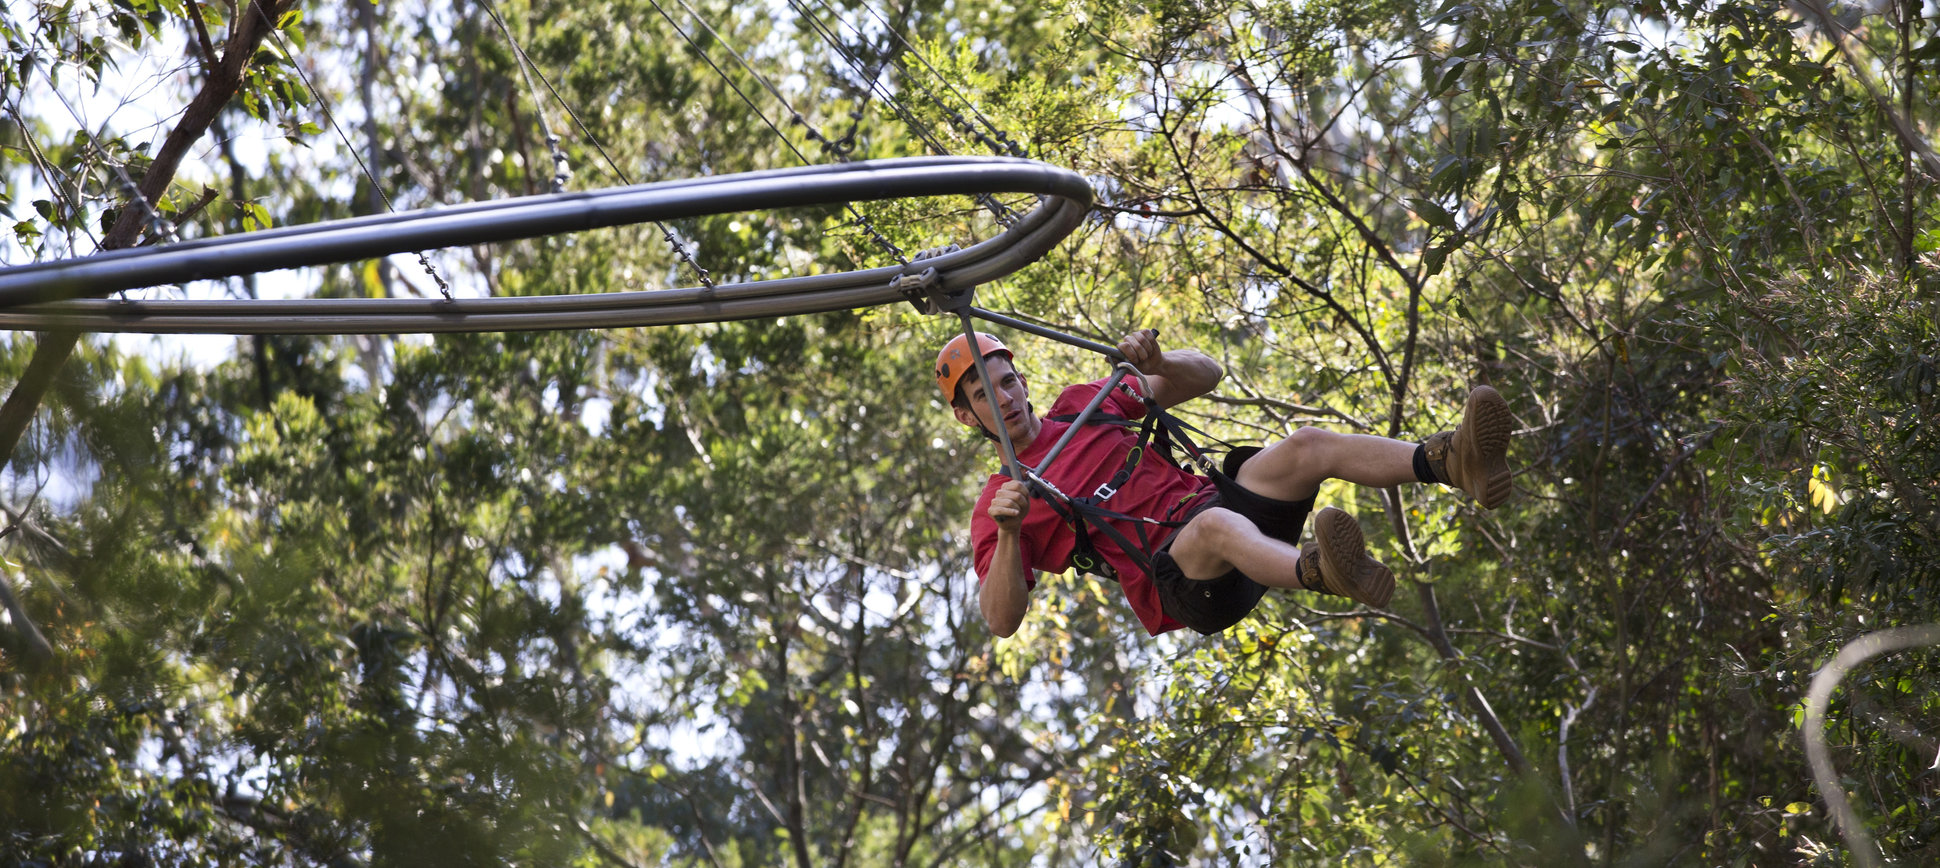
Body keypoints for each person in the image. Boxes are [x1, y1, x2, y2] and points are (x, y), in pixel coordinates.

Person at [938, 329, 1512, 638]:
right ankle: (1321, 570)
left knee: (1306, 444)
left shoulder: (1083, 406)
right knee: (1215, 526)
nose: (1006, 398)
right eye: (985, 395)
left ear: (1021, 378)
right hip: (1188, 580)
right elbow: (1000, 620)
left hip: (1223, 511)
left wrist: (1160, 362)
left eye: (1007, 381)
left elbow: (1208, 374)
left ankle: (1452, 462)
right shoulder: (1002, 502)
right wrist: (1010, 534)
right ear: (968, 417)